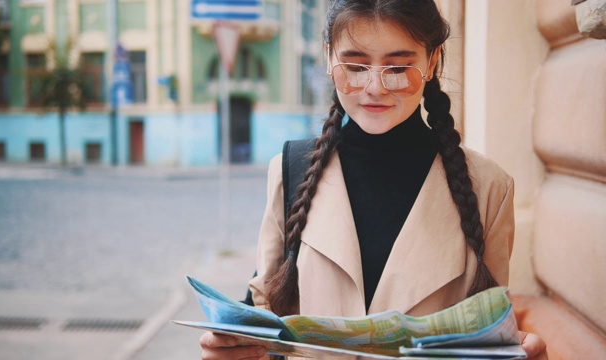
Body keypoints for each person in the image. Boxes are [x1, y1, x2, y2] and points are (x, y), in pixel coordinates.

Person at [200, 0, 547, 359]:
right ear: (329, 58)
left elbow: (490, 341)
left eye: (398, 67)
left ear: (432, 60)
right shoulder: (291, 169)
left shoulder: (489, 188)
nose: (375, 87)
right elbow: (261, 313)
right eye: (354, 66)